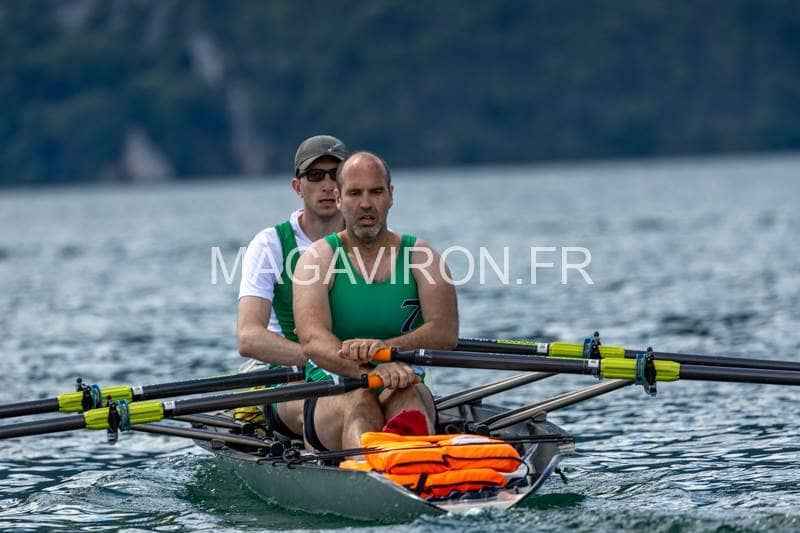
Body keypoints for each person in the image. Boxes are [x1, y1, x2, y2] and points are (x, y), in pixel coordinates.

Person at [293, 151, 458, 451]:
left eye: (376, 192)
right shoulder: (317, 259)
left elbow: (445, 332)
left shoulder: (422, 256)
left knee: (407, 395)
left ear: (390, 196)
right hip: (333, 388)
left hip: (403, 380)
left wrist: (386, 349)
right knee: (361, 400)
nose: (366, 203)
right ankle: (371, 471)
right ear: (339, 199)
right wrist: (369, 372)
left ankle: (414, 467)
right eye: (355, 193)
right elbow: (312, 340)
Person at [237, 134, 349, 438]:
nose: (328, 185)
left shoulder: (372, 240)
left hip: (360, 371)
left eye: (336, 175)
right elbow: (248, 337)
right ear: (298, 187)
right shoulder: (271, 244)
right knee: (342, 410)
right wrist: (324, 358)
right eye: (315, 176)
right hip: (290, 377)